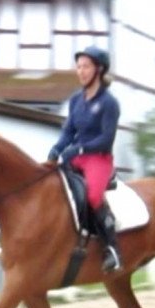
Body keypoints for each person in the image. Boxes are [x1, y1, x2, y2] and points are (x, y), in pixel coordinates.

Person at [47, 46, 122, 272]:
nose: (81, 71)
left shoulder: (109, 103)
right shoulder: (75, 101)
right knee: (53, 186)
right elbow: (69, 131)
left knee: (93, 196)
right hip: (76, 156)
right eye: (78, 67)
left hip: (98, 158)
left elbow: (106, 139)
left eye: (86, 66)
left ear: (98, 69)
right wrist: (56, 149)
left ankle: (113, 248)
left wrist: (78, 150)